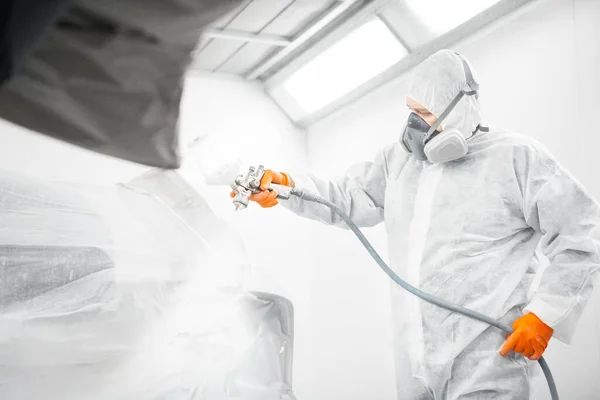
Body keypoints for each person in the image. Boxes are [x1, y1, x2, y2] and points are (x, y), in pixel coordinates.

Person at [233, 49, 600, 399]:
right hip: (414, 363)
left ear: (458, 111)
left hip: (488, 360)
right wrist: (287, 186)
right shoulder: (401, 162)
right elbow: (347, 198)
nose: (413, 124)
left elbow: (582, 231)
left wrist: (546, 314)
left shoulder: (517, 158)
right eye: (410, 110)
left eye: (424, 112)